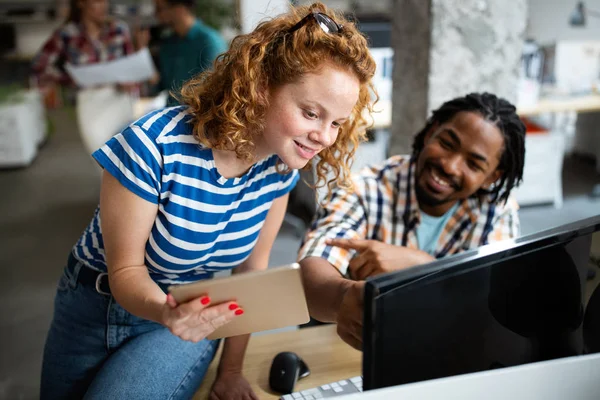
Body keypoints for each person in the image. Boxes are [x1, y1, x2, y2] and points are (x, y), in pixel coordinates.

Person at [40, 3, 376, 399]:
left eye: (336, 123)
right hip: (94, 306)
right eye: (310, 113)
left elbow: (250, 279)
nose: (324, 136)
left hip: (188, 315)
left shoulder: (279, 172)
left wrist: (230, 371)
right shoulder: (152, 145)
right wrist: (168, 312)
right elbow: (126, 271)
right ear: (261, 86)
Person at [298, 92, 527, 350]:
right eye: (447, 143)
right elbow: (312, 266)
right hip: (351, 345)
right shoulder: (364, 188)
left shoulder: (497, 211)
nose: (450, 166)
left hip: (444, 346)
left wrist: (422, 266)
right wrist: (343, 298)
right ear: (430, 133)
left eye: (473, 164)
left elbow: (493, 301)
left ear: (491, 177)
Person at [31, 0, 137, 93]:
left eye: (106, 1)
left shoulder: (118, 30)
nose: (104, 6)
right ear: (81, 3)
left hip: (117, 99)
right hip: (84, 101)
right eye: (97, 1)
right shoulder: (67, 35)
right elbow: (39, 65)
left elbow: (132, 66)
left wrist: (129, 80)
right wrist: (69, 79)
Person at [139, 0, 228, 106]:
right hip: (170, 114)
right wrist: (141, 50)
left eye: (160, 9)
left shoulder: (210, 42)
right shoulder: (168, 43)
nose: (156, 15)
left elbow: (214, 92)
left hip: (195, 116)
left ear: (180, 9)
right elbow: (160, 85)